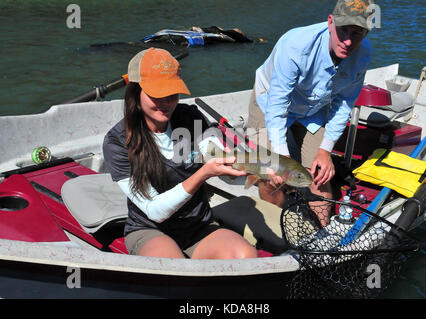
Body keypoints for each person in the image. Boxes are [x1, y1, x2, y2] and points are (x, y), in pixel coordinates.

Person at [103, 48, 257, 259]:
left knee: (245, 255)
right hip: (150, 229)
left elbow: (216, 158)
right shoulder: (118, 142)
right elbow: (155, 211)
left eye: (172, 93)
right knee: (175, 267)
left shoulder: (190, 117)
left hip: (197, 226)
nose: (166, 102)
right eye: (157, 94)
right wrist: (203, 173)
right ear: (135, 93)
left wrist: (259, 174)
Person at [247, 0, 375, 226]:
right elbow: (277, 104)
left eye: (357, 33)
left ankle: (322, 234)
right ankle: (278, 234)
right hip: (269, 104)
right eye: (343, 30)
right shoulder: (296, 45)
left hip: (312, 111)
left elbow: (344, 102)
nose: (347, 41)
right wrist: (281, 154)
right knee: (271, 178)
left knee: (320, 175)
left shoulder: (363, 55)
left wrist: (325, 151)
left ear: (366, 33)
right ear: (330, 22)